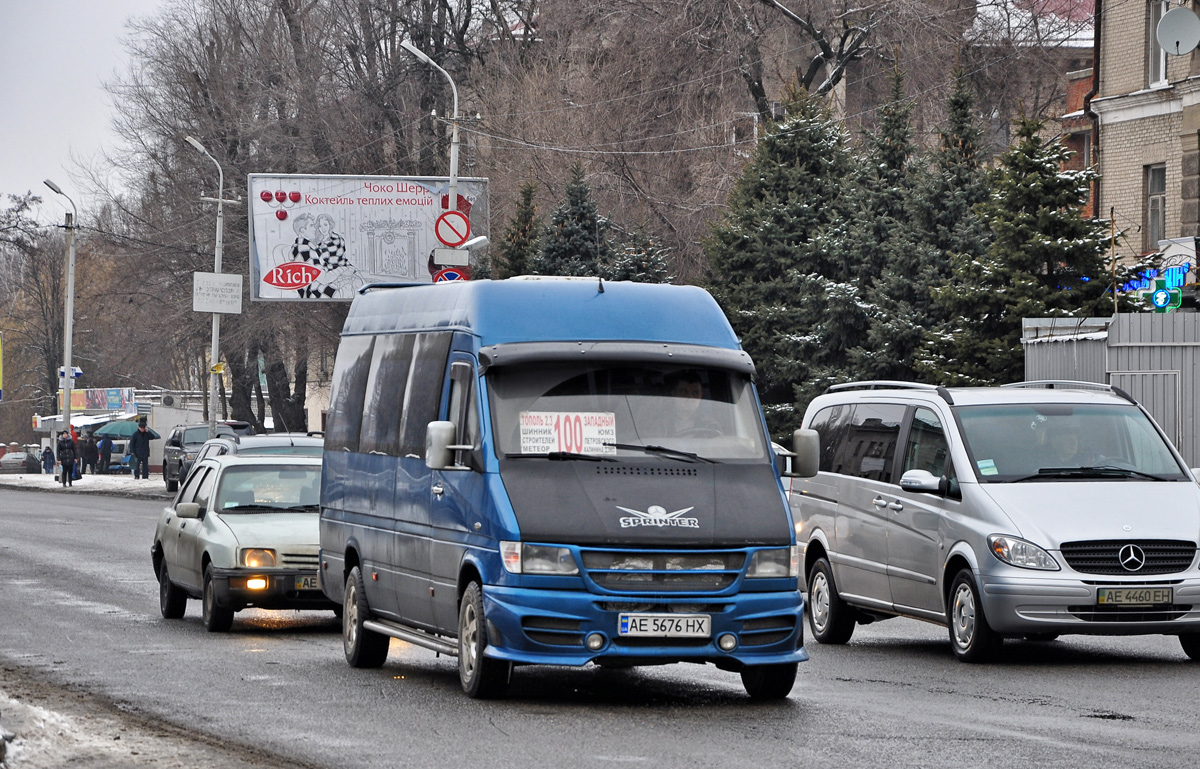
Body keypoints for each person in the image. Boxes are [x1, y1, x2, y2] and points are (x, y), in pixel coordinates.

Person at [664, 370, 721, 437]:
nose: (690, 397)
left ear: (701, 396)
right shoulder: (660, 423)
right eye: (683, 392)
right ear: (674, 394)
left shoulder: (711, 425)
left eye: (695, 393)